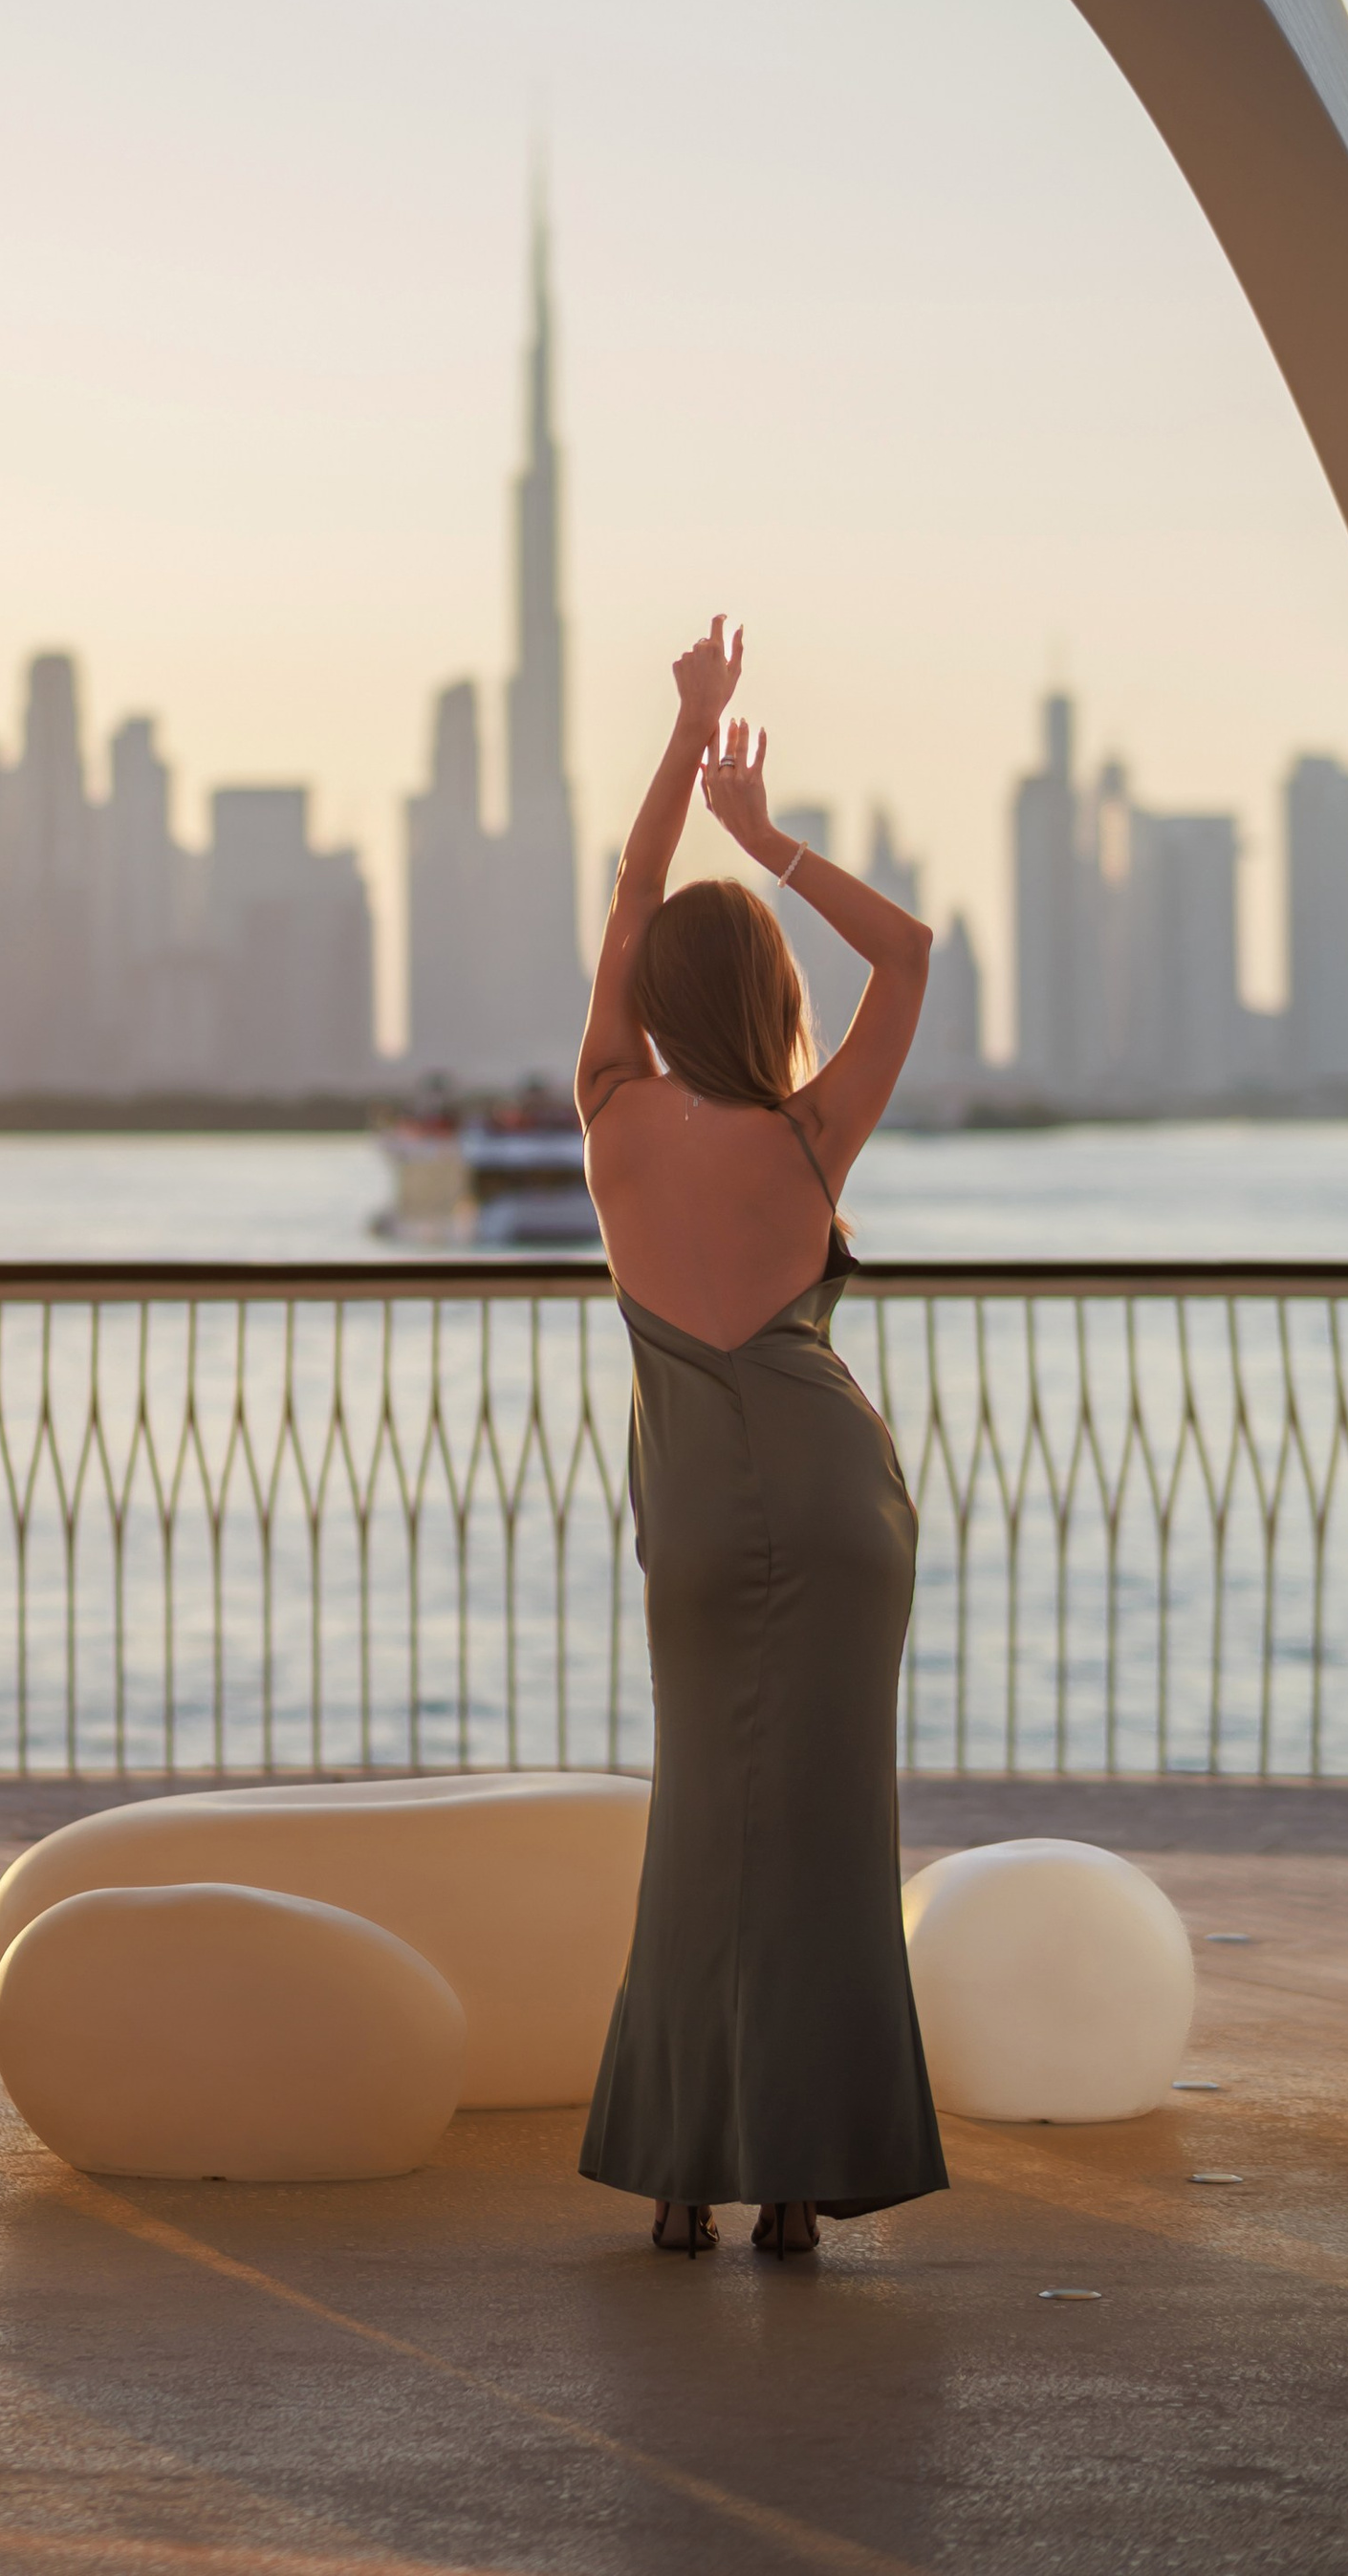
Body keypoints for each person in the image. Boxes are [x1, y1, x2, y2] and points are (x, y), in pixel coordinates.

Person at [574, 616, 946, 2262]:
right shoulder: (811, 1132)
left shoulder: (611, 1114)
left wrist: (684, 744)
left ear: (657, 999)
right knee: (826, 1838)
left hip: (707, 1524)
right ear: (774, 997)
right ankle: (799, 2185)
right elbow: (918, 951)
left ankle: (679, 2179)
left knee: (701, 1822)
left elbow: (625, 904)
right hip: (839, 1498)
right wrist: (768, 836)